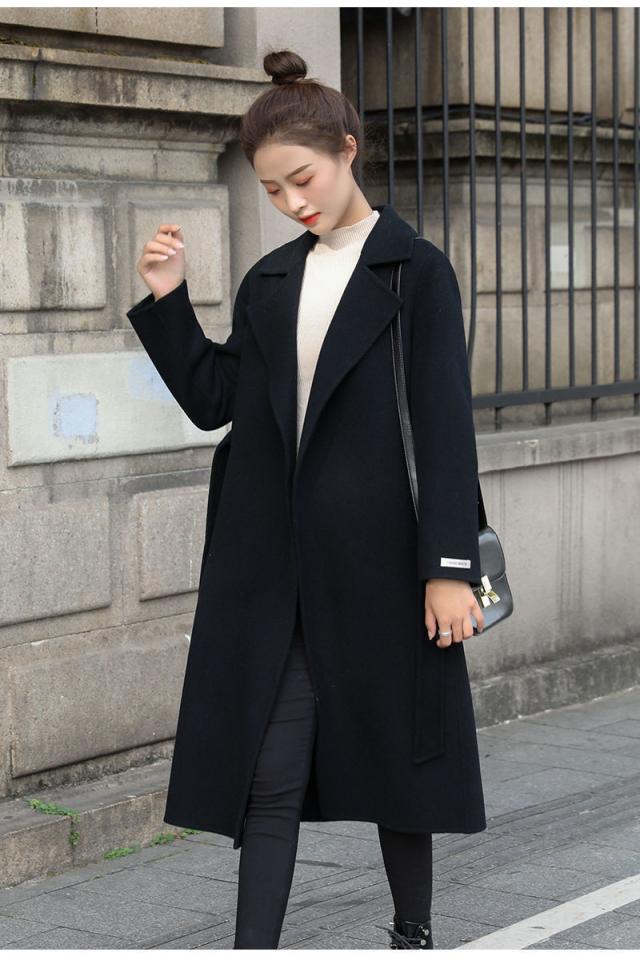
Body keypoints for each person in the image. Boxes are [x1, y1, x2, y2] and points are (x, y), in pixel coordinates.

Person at [127, 48, 487, 950]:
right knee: (269, 773)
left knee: (401, 764)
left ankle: (413, 932)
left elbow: (445, 426)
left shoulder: (415, 271)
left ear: (347, 151)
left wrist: (448, 568)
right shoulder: (272, 280)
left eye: (303, 179)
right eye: (273, 190)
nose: (293, 202)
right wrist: (169, 302)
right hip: (279, 571)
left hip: (385, 565)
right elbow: (218, 401)